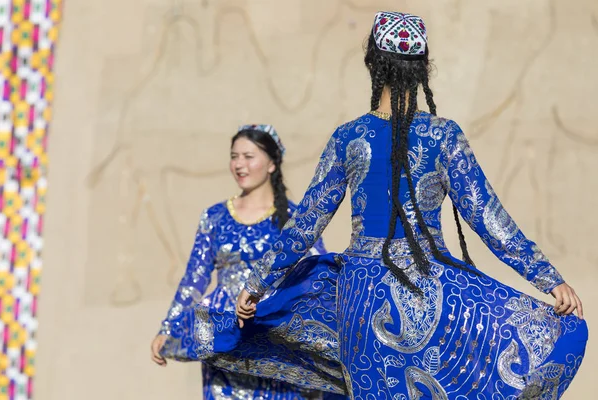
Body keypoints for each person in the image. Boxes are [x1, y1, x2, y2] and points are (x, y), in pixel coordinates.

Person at [160, 12, 588, 399]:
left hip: (362, 295)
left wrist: (255, 284)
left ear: (372, 64)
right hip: (433, 290)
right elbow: (489, 218)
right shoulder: (444, 136)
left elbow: (305, 224)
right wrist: (549, 280)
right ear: (422, 70)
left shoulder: (348, 137)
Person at [150, 124, 331, 399]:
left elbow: (316, 275)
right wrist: (168, 327)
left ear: (271, 163)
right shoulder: (214, 217)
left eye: (248, 156)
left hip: (274, 336)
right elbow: (194, 278)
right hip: (224, 337)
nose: (239, 164)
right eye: (234, 156)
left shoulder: (294, 218)